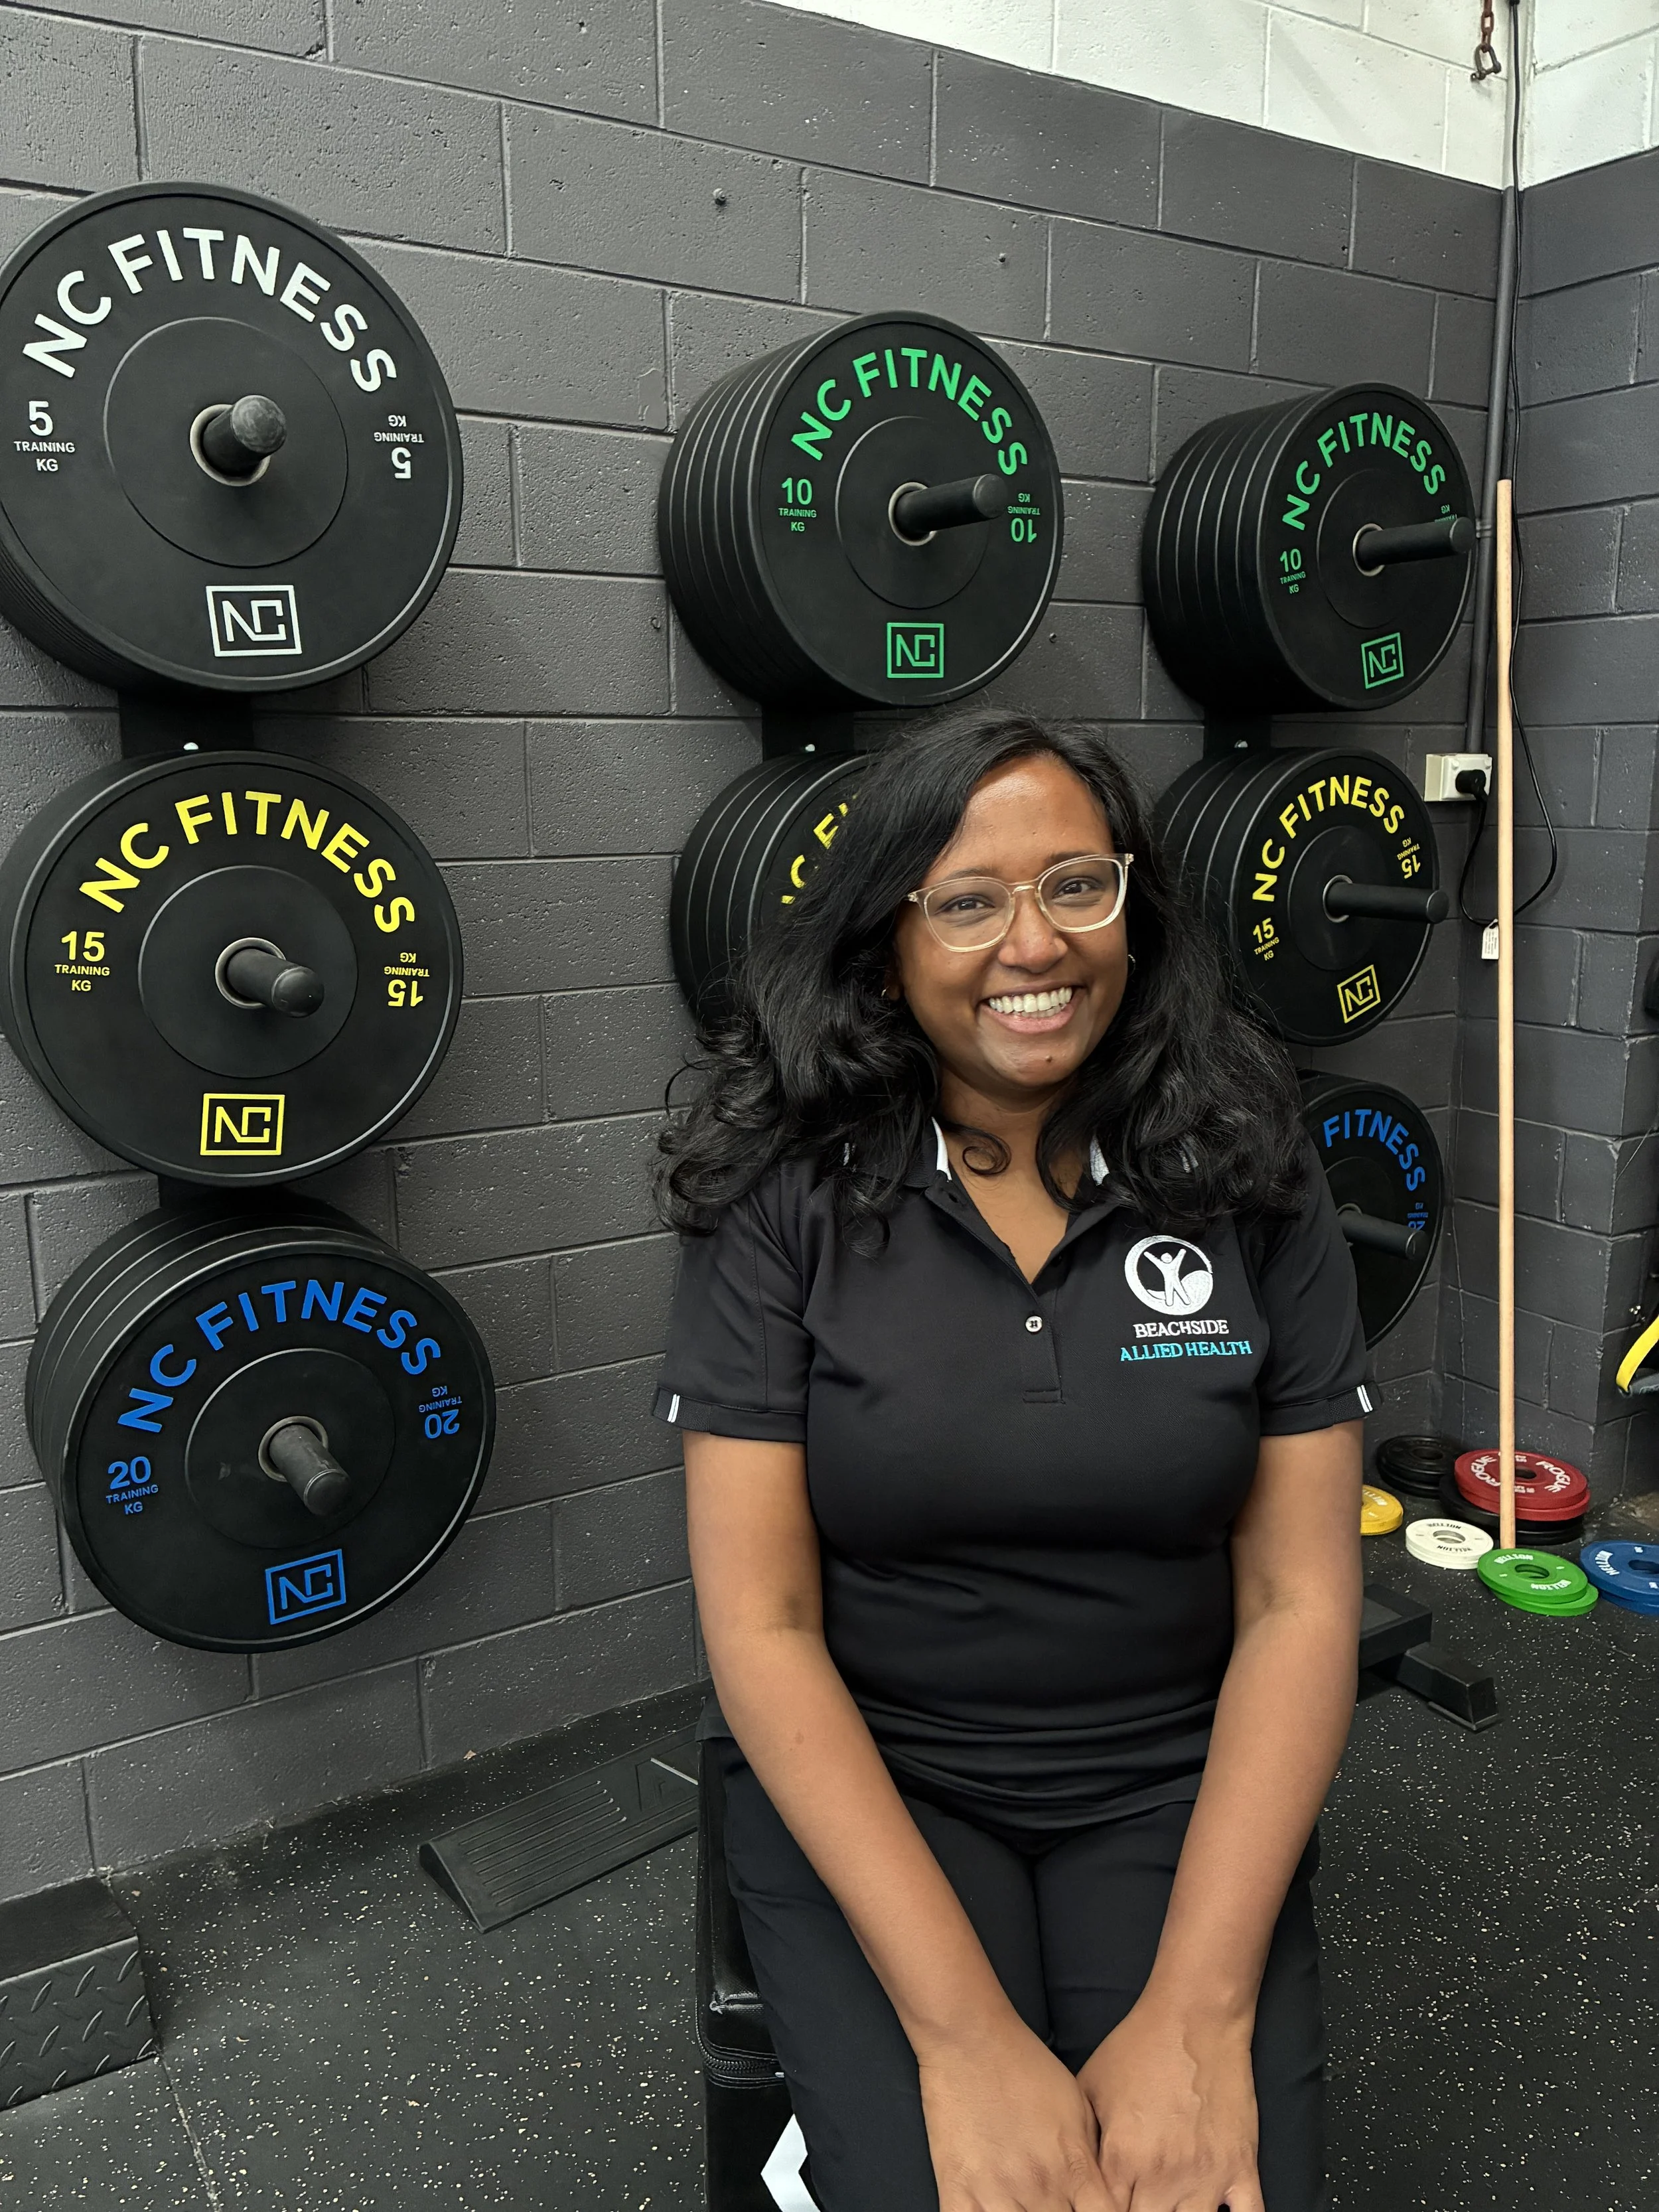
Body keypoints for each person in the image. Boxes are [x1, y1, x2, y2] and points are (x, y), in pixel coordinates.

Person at [654, 711, 1367, 2212]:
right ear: (887, 936)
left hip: (1170, 1773)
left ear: (1134, 908)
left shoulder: (1249, 1164)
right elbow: (762, 1629)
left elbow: (1300, 1600)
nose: (1030, 945)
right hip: (885, 1771)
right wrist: (966, 2040)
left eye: (1075, 887)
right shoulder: (782, 1184)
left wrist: (1197, 2015)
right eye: (966, 900)